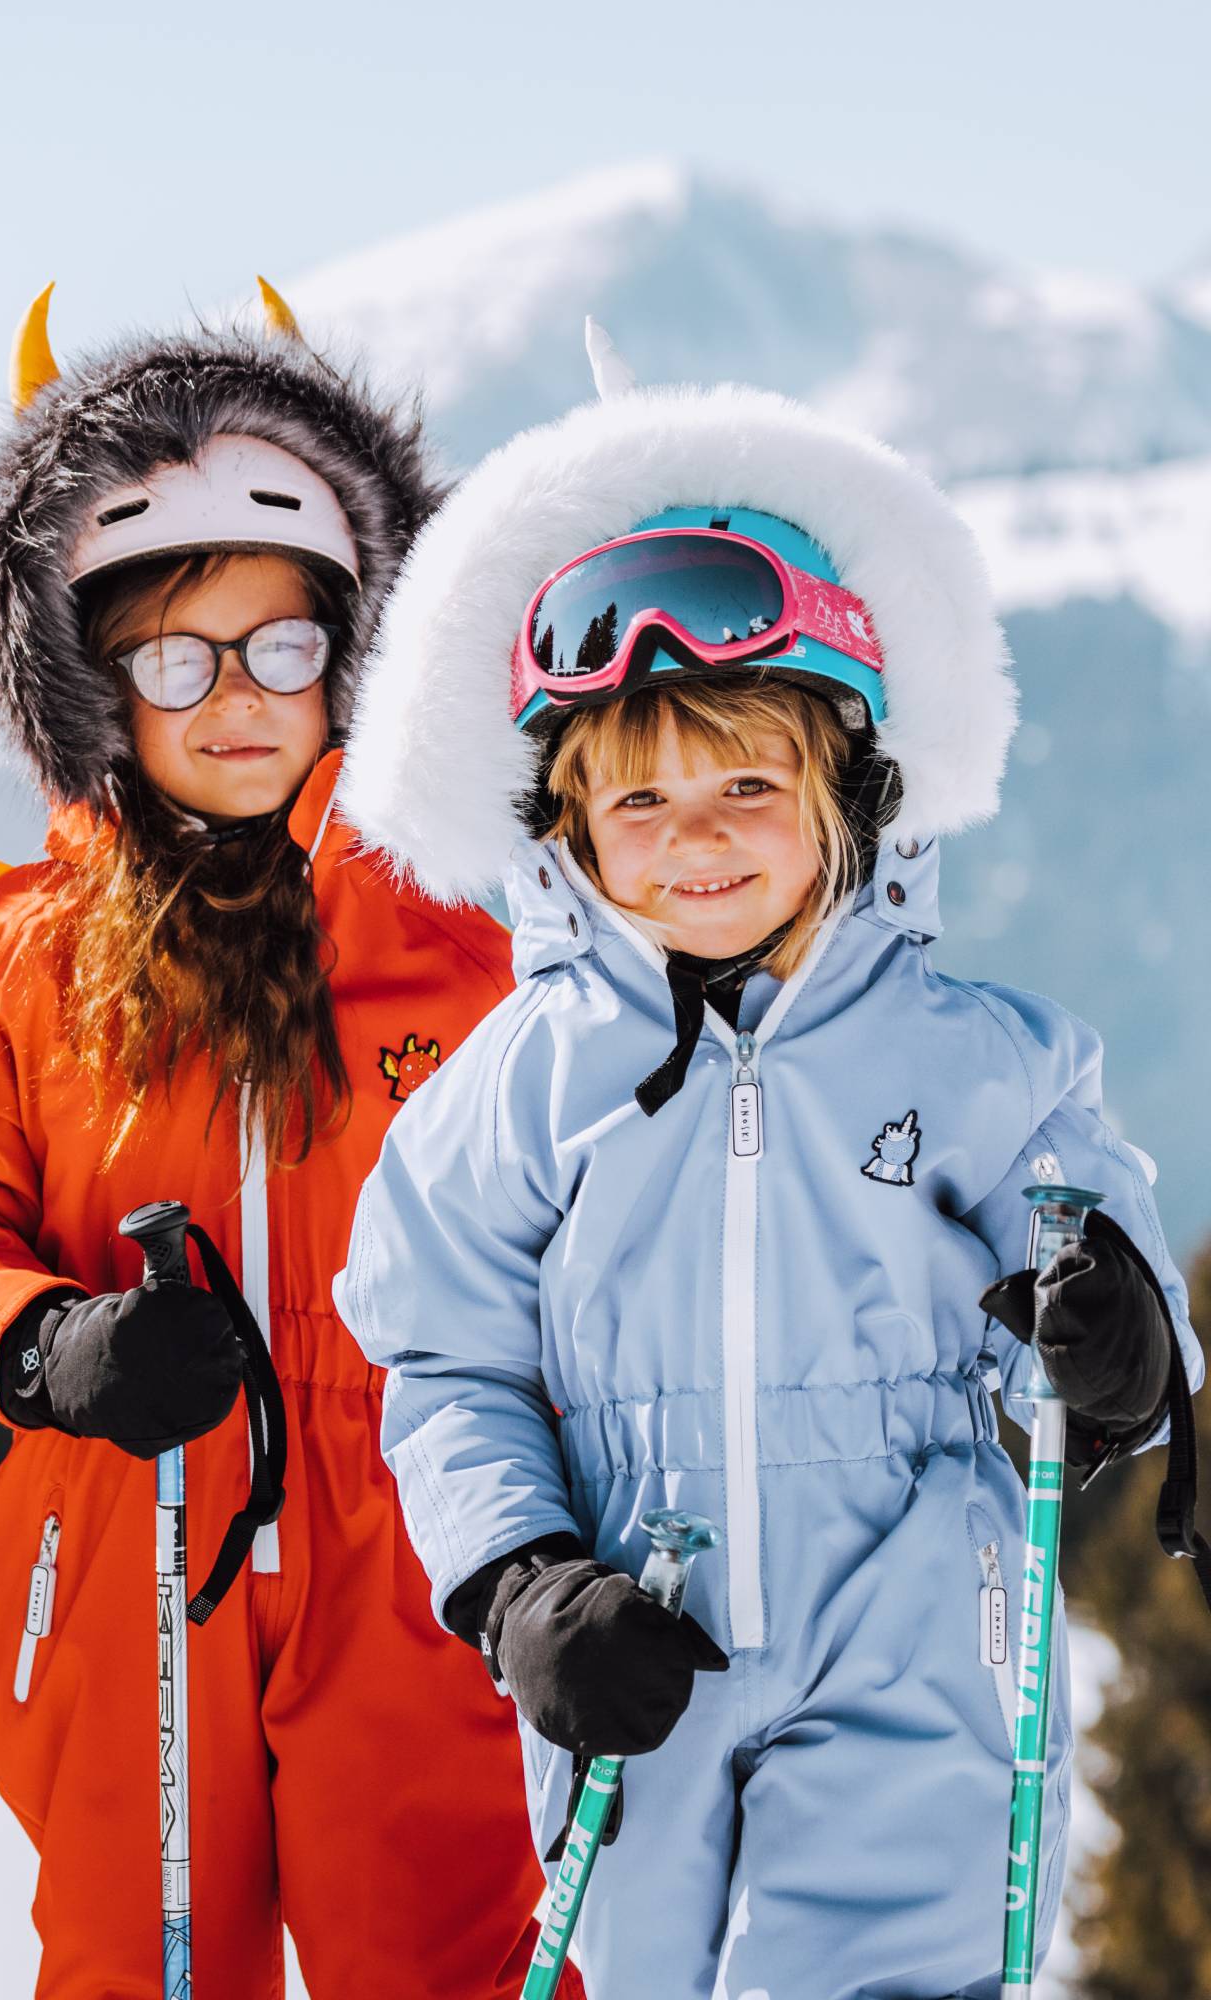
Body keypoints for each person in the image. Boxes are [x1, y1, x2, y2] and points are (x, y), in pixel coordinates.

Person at [334, 334, 1207, 1997]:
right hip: (632, 1621)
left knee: (873, 1969)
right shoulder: (515, 1088)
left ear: (852, 793)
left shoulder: (975, 1054)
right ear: (567, 835)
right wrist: (520, 1583)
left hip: (908, 1601)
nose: (702, 836)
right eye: (643, 803)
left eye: (750, 783)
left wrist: (1125, 1346)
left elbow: (1101, 1222)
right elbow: (444, 1361)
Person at [0, 286, 550, 1997]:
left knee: (453, 1951)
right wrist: (42, 1341)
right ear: (89, 680)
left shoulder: (481, 935)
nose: (235, 698)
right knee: (140, 1962)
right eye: (173, 654)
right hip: (126, 1537)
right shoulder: (5, 964)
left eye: (283, 645)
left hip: (417, 1523)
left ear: (361, 652)